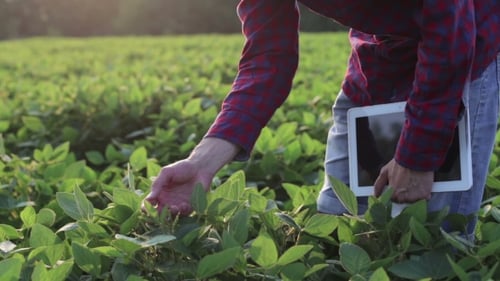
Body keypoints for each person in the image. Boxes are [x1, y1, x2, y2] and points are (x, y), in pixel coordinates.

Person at [146, 1, 500, 236]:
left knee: (431, 236)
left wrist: (419, 157)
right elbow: (268, 57)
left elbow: (450, 33)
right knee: (335, 224)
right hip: (377, 58)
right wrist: (202, 163)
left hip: (460, 51)